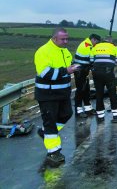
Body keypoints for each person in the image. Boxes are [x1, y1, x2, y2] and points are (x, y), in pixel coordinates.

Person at [34, 27, 79, 166]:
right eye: (63, 39)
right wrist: (66, 71)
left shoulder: (65, 51)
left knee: (66, 114)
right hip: (47, 94)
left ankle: (45, 132)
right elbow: (45, 74)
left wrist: (73, 68)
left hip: (63, 93)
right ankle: (53, 152)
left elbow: (67, 69)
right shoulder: (43, 51)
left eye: (67, 38)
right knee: (50, 122)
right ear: (54, 38)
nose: (66, 41)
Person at [90, 36, 117, 123]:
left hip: (96, 73)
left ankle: (100, 116)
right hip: (108, 73)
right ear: (110, 41)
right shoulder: (114, 47)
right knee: (112, 93)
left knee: (99, 93)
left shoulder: (95, 47)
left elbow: (91, 60)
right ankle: (116, 116)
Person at [73, 33, 101, 118]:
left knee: (86, 89)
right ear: (93, 39)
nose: (96, 44)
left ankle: (88, 109)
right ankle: (78, 111)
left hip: (83, 70)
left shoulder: (87, 44)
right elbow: (91, 59)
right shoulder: (86, 46)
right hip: (80, 70)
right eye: (96, 42)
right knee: (80, 90)